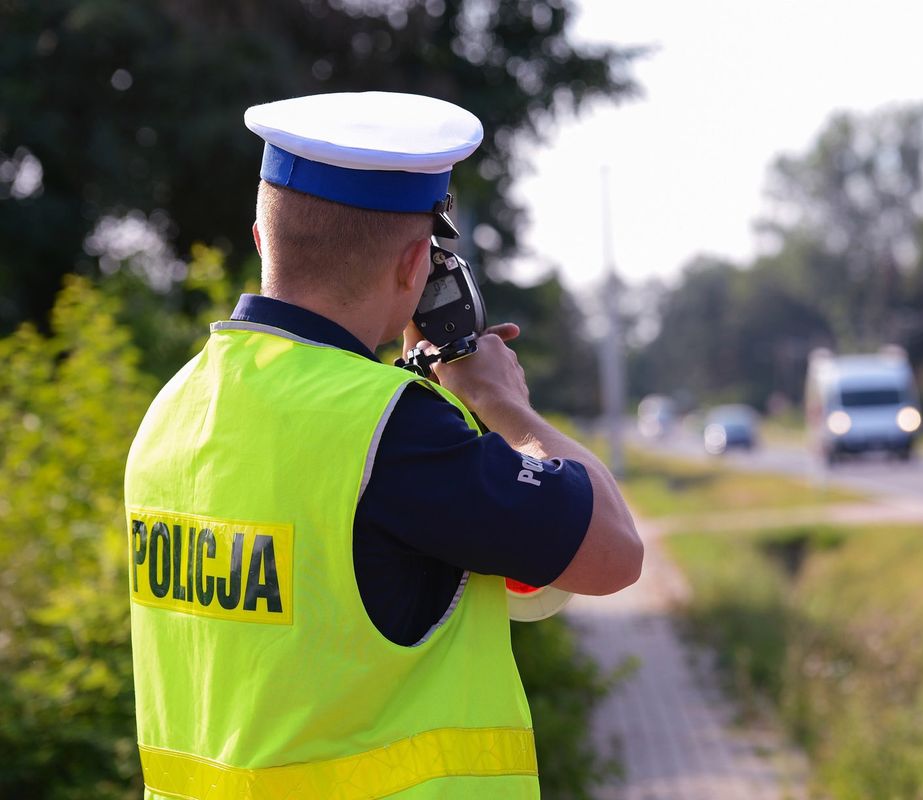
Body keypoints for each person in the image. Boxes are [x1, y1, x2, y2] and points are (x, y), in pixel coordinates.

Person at [124, 91, 642, 800]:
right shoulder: (395, 434)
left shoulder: (172, 408)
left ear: (259, 237)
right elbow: (613, 549)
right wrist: (501, 402)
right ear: (412, 268)